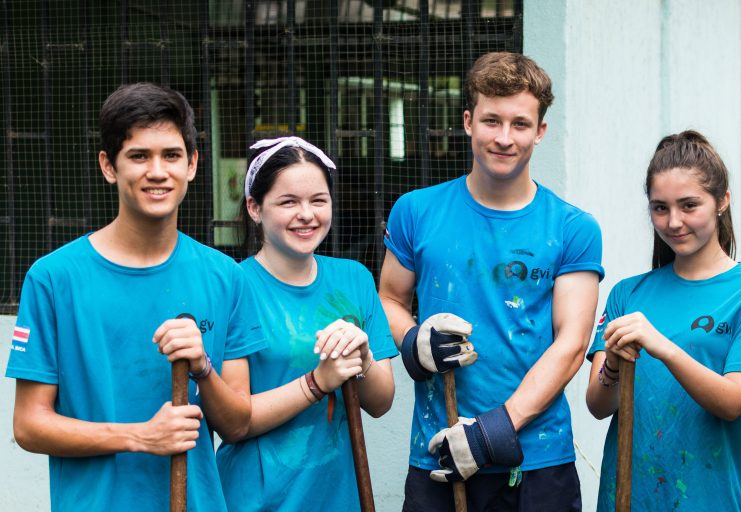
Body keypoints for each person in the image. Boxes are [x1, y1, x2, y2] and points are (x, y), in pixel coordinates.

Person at [5, 83, 266, 511]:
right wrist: (140, 436)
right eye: (139, 156)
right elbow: (29, 425)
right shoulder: (54, 278)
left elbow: (238, 424)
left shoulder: (225, 277)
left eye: (171, 155)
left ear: (193, 164)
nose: (157, 171)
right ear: (109, 166)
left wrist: (202, 368)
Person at [378, 52, 603, 511]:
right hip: (438, 452)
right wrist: (412, 340)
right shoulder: (416, 211)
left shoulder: (573, 227)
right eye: (491, 120)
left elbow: (573, 344)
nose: (504, 138)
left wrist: (494, 431)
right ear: (468, 121)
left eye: (520, 124)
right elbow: (389, 298)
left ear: (541, 131)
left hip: (538, 460)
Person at [584, 130, 741, 511]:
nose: (673, 221)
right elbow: (598, 405)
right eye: (660, 207)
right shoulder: (627, 294)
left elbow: (731, 402)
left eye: (689, 205)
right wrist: (611, 364)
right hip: (627, 495)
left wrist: (663, 347)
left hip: (706, 496)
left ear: (722, 201)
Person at [216, 136, 398, 510]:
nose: (307, 214)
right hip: (257, 499)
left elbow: (380, 403)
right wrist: (317, 382)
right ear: (254, 207)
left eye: (318, 200)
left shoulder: (354, 279)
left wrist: (362, 359)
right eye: (288, 202)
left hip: (339, 496)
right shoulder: (233, 287)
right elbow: (234, 423)